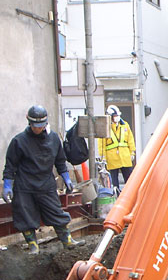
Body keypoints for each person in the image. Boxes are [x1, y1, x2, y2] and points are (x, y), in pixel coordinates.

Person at [2, 105, 84, 254]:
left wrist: (66, 178)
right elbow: (10, 165)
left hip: (46, 184)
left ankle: (67, 240)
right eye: (35, 126)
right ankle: (33, 245)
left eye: (40, 126)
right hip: (24, 185)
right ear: (29, 123)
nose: (37, 129)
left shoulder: (53, 139)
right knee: (25, 216)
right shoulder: (19, 141)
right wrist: (7, 185)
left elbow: (60, 160)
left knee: (56, 212)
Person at [97, 105, 136, 192]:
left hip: (125, 157)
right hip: (112, 159)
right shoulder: (105, 127)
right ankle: (117, 195)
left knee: (130, 180)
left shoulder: (125, 125)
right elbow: (101, 144)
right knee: (114, 182)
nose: (117, 118)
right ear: (110, 117)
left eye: (117, 115)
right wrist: (103, 158)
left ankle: (130, 194)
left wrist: (132, 152)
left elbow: (130, 139)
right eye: (115, 116)